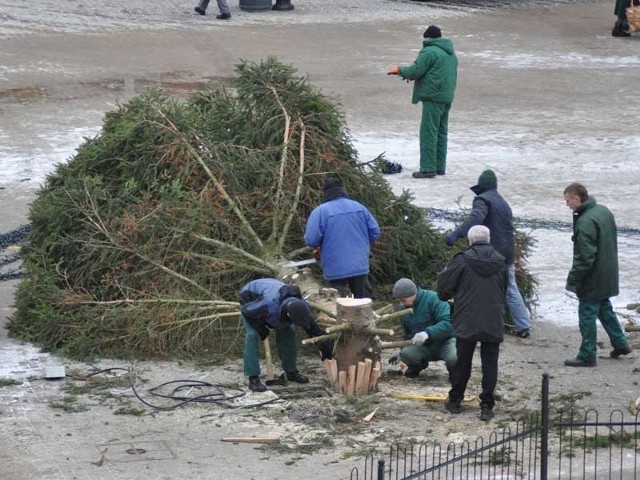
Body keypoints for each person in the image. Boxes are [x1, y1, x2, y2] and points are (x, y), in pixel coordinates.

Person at [444, 169, 531, 339]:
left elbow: (476, 218)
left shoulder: (482, 200)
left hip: (492, 254)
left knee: (484, 289)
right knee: (510, 288)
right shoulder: (503, 202)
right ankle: (523, 325)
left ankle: (483, 323)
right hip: (507, 252)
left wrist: (456, 234)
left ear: (481, 187)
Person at [437, 225, 507, 422]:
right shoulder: (501, 261)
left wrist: (450, 297)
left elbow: (443, 288)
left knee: (463, 361)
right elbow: (504, 289)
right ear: (489, 239)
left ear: (470, 240)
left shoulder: (461, 260)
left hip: (467, 317)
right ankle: (486, 406)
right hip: (493, 318)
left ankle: (455, 400)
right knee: (490, 363)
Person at [563, 183, 631, 367]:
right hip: (608, 272)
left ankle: (587, 355)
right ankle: (621, 343)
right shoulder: (603, 211)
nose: (567, 204)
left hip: (593, 277)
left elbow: (585, 258)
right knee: (604, 308)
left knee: (587, 313)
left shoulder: (585, 221)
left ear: (577, 198)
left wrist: (573, 278)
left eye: (568, 201)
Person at [387, 25, 458, 179]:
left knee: (429, 132)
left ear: (428, 38)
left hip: (433, 97)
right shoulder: (451, 54)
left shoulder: (430, 52)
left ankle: (428, 168)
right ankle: (439, 167)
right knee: (441, 131)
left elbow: (415, 71)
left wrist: (398, 70)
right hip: (446, 97)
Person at [239, 278, 333, 392]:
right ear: (288, 313)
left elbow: (311, 326)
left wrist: (321, 343)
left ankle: (291, 372)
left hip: (272, 295)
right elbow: (246, 311)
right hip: (250, 299)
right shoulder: (269, 304)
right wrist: (260, 327)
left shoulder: (304, 305)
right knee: (252, 334)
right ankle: (253, 378)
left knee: (288, 330)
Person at [304, 176, 381, 298]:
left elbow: (311, 239)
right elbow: (375, 231)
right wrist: (362, 245)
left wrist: (318, 247)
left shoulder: (320, 212)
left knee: (337, 304)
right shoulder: (359, 207)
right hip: (359, 264)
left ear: (325, 193)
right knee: (363, 303)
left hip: (334, 267)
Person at [388, 278, 457, 381]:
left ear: (412, 293)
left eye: (403, 300)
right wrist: (401, 352)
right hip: (424, 346)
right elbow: (408, 333)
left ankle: (455, 371)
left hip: (445, 342)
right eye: (399, 301)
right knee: (406, 354)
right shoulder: (403, 309)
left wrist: (428, 333)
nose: (401, 304)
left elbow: (448, 323)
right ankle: (417, 366)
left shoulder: (434, 298)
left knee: (454, 357)